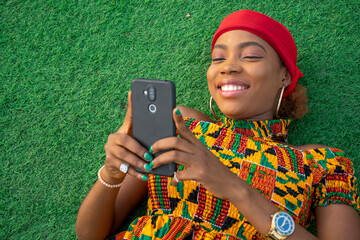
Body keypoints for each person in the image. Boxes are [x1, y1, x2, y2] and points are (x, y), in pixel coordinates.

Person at [76, 10, 360, 240]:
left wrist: (232, 186)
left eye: (250, 56)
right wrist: (111, 174)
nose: (228, 67)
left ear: (285, 75)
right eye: (218, 58)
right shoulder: (181, 124)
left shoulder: (323, 163)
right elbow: (90, 234)